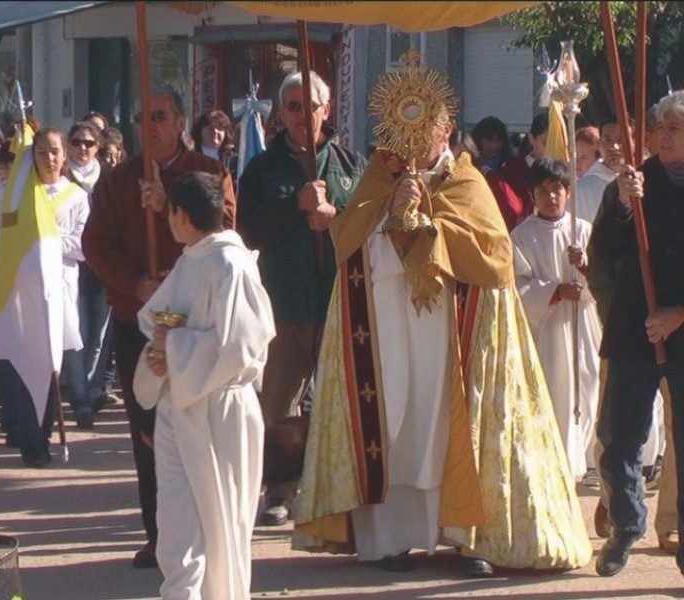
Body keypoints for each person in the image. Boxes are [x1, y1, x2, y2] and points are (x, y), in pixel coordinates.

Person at [293, 73, 591, 577]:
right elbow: (350, 245)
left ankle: (466, 536)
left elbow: (494, 257)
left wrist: (429, 225)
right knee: (395, 424)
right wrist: (390, 213)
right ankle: (389, 539)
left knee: (450, 426)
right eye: (402, 126)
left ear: (446, 128)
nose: (412, 139)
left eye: (424, 125)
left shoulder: (467, 182)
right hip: (387, 327)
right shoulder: (377, 180)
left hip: (453, 335)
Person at [82, 84, 236, 569]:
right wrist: (138, 283)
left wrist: (171, 205)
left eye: (161, 116)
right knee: (148, 430)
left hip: (197, 324)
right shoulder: (118, 180)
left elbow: (227, 228)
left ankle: (207, 531)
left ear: (181, 121)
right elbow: (96, 244)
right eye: (142, 117)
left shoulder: (209, 173)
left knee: (198, 426)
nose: (150, 125)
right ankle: (160, 536)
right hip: (140, 321)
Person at [133, 171, 274, 599]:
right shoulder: (189, 260)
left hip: (221, 409)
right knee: (177, 522)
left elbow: (243, 346)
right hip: (179, 406)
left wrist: (174, 346)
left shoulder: (231, 264)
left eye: (170, 212)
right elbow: (157, 320)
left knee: (220, 519)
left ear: (181, 214)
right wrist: (160, 352)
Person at [237, 70, 367, 526]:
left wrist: (335, 216)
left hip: (339, 304)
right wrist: (295, 204)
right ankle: (279, 489)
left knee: (342, 401)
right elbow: (247, 230)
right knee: (278, 404)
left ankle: (341, 489)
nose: (301, 115)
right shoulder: (262, 168)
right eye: (292, 106)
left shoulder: (351, 164)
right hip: (285, 304)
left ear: (325, 110)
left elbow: (369, 226)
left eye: (310, 106)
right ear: (281, 113)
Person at [590, 90, 684, 577]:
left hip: (681, 330)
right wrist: (625, 205)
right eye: (659, 128)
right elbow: (603, 251)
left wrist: (679, 313)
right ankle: (626, 524)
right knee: (620, 436)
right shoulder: (633, 180)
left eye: (675, 128)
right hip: (634, 329)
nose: (664, 136)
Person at [0, 127, 90, 465]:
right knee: (21, 365)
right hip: (17, 296)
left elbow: (83, 245)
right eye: (42, 152)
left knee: (50, 366)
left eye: (55, 151)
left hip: (58, 293)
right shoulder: (7, 199)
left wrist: (46, 241)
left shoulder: (75, 196)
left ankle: (41, 434)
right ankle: (28, 437)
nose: (49, 158)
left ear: (65, 155)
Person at [511, 159, 601, 479]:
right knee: (554, 392)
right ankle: (557, 465)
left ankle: (585, 461)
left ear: (568, 192)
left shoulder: (583, 230)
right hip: (547, 328)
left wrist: (585, 266)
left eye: (557, 189)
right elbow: (517, 285)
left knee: (588, 388)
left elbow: (604, 279)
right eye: (542, 191)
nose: (551, 196)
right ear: (532, 195)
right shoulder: (521, 236)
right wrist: (555, 291)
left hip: (582, 324)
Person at [66, 121, 110, 426]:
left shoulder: (109, 178)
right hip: (72, 267)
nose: (83, 148)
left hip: (103, 267)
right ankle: (80, 398)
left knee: (98, 336)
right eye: (77, 142)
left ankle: (93, 391)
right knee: (76, 333)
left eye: (89, 143)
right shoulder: (60, 177)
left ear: (98, 147)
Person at [486, 112, 549, 230]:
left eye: (555, 144)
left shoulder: (566, 171)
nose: (550, 149)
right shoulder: (510, 170)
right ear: (532, 138)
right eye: (545, 143)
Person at [576, 117, 630, 224]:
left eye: (621, 140)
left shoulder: (644, 179)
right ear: (599, 145)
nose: (614, 147)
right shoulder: (582, 189)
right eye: (607, 140)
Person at [191, 109, 236, 174]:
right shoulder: (191, 156)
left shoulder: (233, 159)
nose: (215, 131)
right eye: (210, 128)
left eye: (219, 128)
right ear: (200, 131)